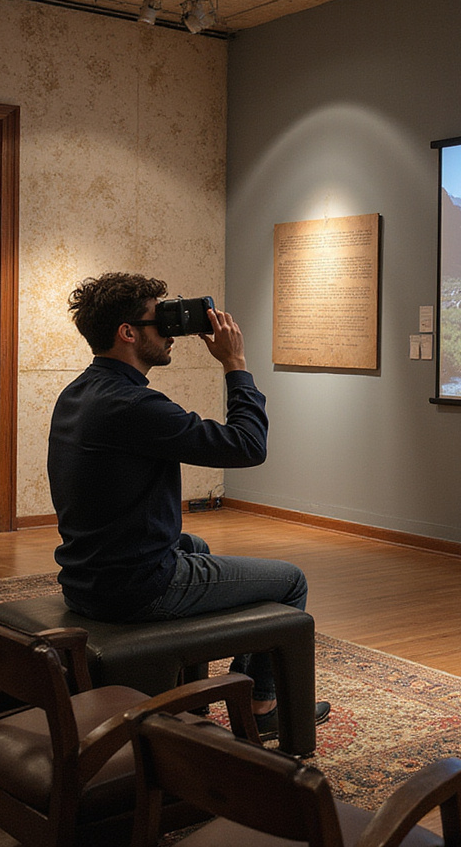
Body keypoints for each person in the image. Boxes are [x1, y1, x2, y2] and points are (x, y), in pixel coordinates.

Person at [47, 272, 329, 738]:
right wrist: (235, 364)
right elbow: (247, 446)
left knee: (194, 543)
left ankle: (187, 687)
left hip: (85, 577)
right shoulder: (135, 405)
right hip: (134, 588)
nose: (172, 331)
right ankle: (262, 707)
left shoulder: (78, 393)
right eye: (162, 320)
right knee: (290, 581)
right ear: (128, 332)